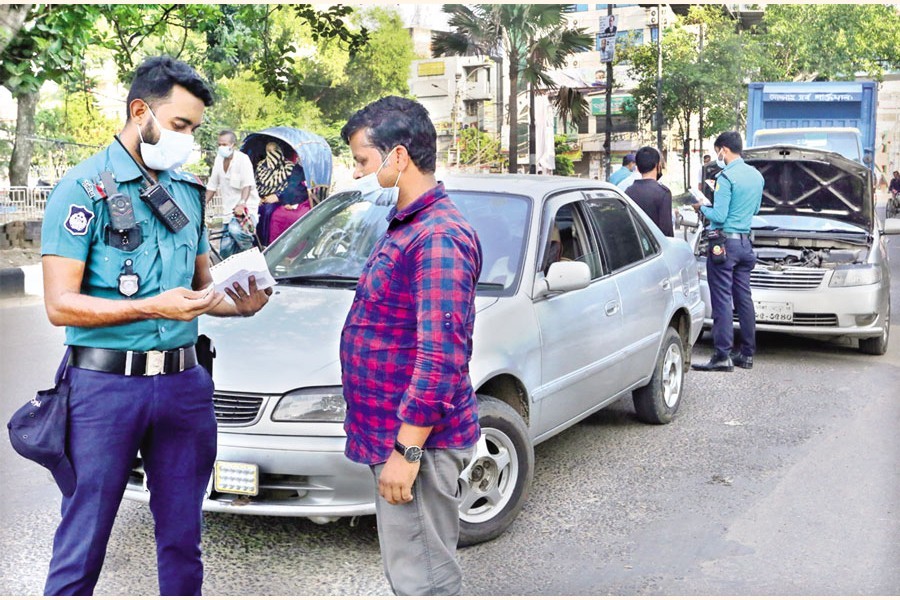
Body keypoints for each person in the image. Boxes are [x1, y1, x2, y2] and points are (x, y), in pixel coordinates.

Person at [38, 55, 272, 595]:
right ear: (140, 110)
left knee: (183, 538)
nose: (189, 139)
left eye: (194, 129)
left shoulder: (185, 192)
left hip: (183, 386)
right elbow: (60, 305)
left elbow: (196, 291)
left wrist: (236, 304)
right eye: (180, 125)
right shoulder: (83, 188)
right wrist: (151, 307)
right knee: (84, 538)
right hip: (104, 389)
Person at [339, 96, 481, 596]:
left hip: (418, 441)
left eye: (362, 159)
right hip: (398, 434)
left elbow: (441, 355)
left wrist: (407, 449)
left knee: (423, 579)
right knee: (412, 570)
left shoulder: (438, 235)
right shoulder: (410, 225)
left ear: (397, 157)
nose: (358, 172)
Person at [690, 131, 764, 372]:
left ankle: (722, 355)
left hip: (725, 245)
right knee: (744, 299)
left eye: (718, 151)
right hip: (745, 244)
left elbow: (720, 216)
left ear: (723, 149)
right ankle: (747, 354)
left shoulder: (725, 177)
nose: (718, 156)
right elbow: (754, 210)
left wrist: (702, 208)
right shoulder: (756, 176)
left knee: (722, 299)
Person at [205, 129, 259, 257]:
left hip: (246, 211)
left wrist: (242, 204)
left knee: (235, 230)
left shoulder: (243, 159)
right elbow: (212, 186)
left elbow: (247, 185)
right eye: (219, 144)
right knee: (224, 251)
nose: (221, 147)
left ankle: (251, 254)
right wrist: (201, 204)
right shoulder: (218, 160)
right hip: (227, 212)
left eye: (224, 144)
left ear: (232, 145)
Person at [254, 141, 310, 245]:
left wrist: (279, 196)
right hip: (262, 198)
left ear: (280, 151)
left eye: (275, 151)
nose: (273, 154)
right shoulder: (261, 167)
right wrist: (258, 198)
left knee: (267, 210)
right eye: (269, 151)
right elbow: (255, 184)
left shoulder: (291, 167)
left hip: (280, 199)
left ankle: (266, 245)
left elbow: (293, 187)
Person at [624, 146, 674, 237]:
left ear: (638, 168)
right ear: (657, 165)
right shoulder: (663, 193)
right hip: (657, 247)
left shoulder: (628, 192)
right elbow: (666, 231)